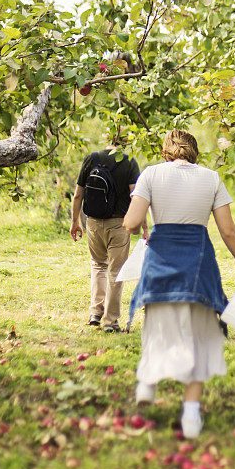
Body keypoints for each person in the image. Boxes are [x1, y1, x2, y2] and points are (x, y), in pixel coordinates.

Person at [123, 129, 235, 438]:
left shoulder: (151, 175)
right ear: (194, 152)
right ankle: (191, 414)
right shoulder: (211, 178)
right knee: (200, 335)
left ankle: (147, 384)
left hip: (160, 260)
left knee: (158, 325)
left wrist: (142, 222)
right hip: (198, 263)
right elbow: (228, 230)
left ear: (166, 151)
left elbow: (129, 223)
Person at [71, 137, 147, 333]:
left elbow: (78, 194)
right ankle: (110, 322)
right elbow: (136, 198)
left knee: (98, 265)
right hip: (119, 224)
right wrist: (144, 227)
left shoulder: (91, 158)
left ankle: (95, 313)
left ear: (106, 140)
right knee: (115, 271)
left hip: (93, 223)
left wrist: (75, 223)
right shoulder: (129, 162)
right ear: (125, 143)